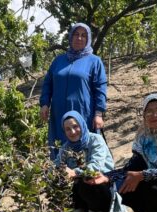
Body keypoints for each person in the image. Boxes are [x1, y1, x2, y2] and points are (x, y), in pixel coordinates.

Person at [40, 22, 107, 161]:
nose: (79, 38)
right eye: (76, 34)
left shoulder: (94, 61)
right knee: (59, 145)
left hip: (83, 113)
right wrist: (44, 103)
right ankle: (61, 177)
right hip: (59, 113)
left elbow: (100, 88)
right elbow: (48, 83)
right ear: (70, 37)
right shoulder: (58, 60)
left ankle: (84, 176)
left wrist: (99, 113)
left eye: (83, 35)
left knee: (81, 145)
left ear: (88, 39)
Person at [56, 111, 126, 212]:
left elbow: (95, 166)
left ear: (82, 125)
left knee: (88, 178)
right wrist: (61, 170)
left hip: (102, 188)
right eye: (68, 129)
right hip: (81, 192)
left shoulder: (96, 140)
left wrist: (74, 172)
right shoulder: (65, 148)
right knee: (60, 179)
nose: (72, 132)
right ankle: (79, 209)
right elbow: (58, 164)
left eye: (75, 126)